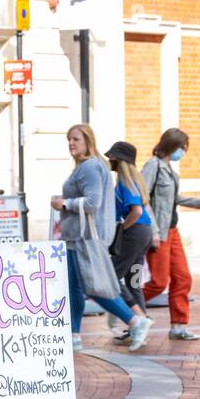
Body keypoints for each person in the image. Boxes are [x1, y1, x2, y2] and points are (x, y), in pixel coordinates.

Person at [51, 124, 153, 352]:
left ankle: (135, 321)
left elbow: (92, 203)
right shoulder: (87, 167)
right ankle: (74, 335)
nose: (71, 143)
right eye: (69, 139)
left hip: (86, 237)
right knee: (75, 288)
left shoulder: (90, 167)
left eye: (76, 139)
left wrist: (64, 203)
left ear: (88, 141)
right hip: (77, 237)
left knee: (93, 287)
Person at [140, 128, 200, 341]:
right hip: (159, 233)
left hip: (172, 231)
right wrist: (153, 230)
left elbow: (174, 198)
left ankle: (178, 327)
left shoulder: (170, 170)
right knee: (158, 282)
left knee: (183, 277)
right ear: (171, 145)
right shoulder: (152, 166)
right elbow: (142, 199)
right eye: (182, 147)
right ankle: (126, 310)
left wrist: (198, 204)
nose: (183, 152)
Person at [104, 141, 155, 342]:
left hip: (134, 235)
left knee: (111, 277)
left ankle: (138, 319)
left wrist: (122, 229)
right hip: (144, 234)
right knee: (133, 282)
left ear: (120, 160)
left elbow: (136, 211)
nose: (110, 160)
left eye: (112, 157)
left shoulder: (125, 182)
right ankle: (140, 328)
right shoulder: (135, 180)